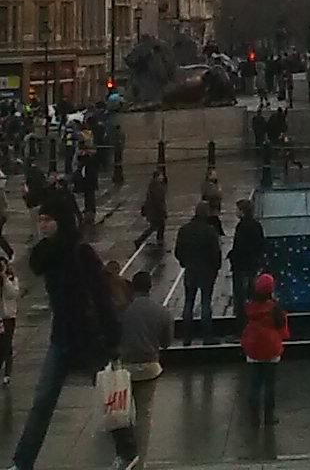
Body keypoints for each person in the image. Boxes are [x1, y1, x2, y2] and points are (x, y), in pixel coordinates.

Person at [8, 190, 120, 470]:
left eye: (48, 219)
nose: (42, 224)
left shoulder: (81, 253)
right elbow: (35, 264)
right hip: (62, 337)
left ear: (61, 221)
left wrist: (112, 338)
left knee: (110, 395)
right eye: (41, 219)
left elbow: (102, 296)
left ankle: (127, 449)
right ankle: (22, 463)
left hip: (89, 338)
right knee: (42, 402)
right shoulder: (48, 253)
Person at [109, 269, 174, 470]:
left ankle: (125, 455)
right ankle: (141, 461)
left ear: (133, 287)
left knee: (122, 414)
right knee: (144, 414)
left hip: (125, 369)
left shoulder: (122, 313)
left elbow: (113, 338)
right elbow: (166, 342)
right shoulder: (162, 312)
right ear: (150, 287)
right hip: (149, 367)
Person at [240, 273, 289, 426]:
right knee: (270, 384)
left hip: (254, 350)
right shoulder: (274, 308)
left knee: (255, 384)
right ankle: (269, 416)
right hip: (270, 349)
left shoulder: (249, 306)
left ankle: (254, 417)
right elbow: (281, 324)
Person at [174, 199, 221, 346]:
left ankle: (186, 337)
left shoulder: (184, 230)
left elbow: (178, 251)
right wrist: (216, 267)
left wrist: (184, 262)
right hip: (207, 271)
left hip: (191, 270)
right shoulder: (210, 231)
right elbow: (216, 253)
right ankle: (207, 336)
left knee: (189, 302)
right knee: (206, 302)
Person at [228, 199, 265, 330]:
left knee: (240, 298)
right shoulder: (256, 225)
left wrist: (232, 257)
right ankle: (255, 323)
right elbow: (261, 245)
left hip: (241, 266)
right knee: (253, 295)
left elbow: (239, 247)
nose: (235, 212)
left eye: (237, 209)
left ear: (242, 212)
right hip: (252, 265)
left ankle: (242, 326)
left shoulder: (242, 227)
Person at [135, 168, 168, 250]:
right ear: (157, 177)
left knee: (159, 226)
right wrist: (163, 211)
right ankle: (140, 240)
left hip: (152, 211)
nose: (162, 177)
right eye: (161, 176)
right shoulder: (158, 187)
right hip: (156, 211)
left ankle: (159, 240)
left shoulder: (152, 185)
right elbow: (159, 201)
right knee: (155, 227)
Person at [0, 254, 19, 384]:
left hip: (8, 317)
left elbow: (13, 294)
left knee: (7, 345)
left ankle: (7, 373)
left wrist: (4, 278)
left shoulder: (12, 279)